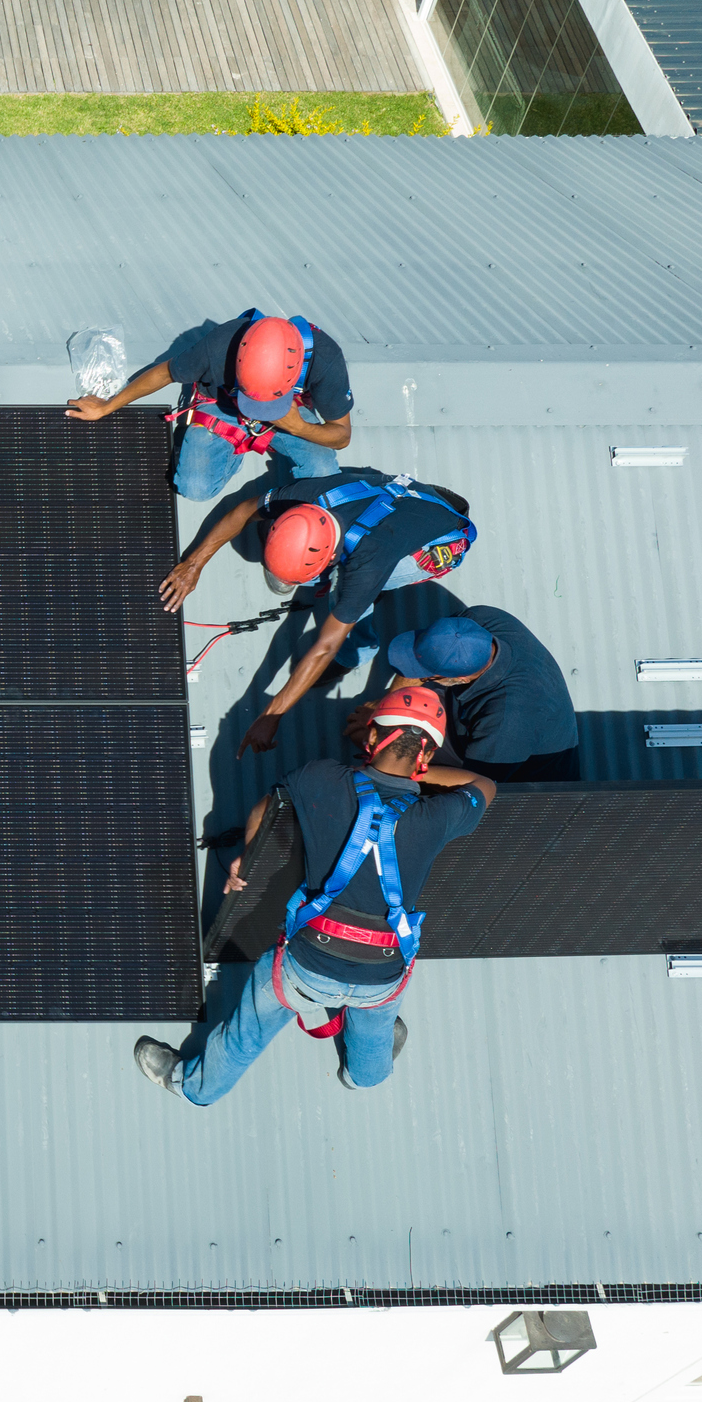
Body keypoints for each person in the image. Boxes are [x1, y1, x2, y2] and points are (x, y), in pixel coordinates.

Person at [136, 687, 497, 1104]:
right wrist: (419, 770)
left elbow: (265, 810)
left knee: (248, 1031)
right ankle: (364, 1073)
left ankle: (195, 1088)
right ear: (427, 756)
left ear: (372, 737)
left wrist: (247, 860)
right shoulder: (439, 816)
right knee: (377, 1023)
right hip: (380, 977)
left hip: (305, 969)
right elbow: (483, 784)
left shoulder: (320, 778)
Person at [158, 467, 478, 757]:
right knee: (329, 580)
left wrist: (272, 714)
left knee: (341, 593)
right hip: (403, 503)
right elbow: (244, 510)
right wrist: (193, 564)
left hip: (442, 534)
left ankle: (355, 651)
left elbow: (325, 646)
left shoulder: (368, 562)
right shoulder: (303, 498)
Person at [65, 310, 355, 501]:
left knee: (322, 474)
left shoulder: (325, 358)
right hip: (224, 402)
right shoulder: (219, 348)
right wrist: (107, 407)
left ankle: (286, 528)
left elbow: (341, 435)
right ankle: (234, 448)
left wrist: (300, 426)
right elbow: (165, 372)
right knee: (195, 489)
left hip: (289, 412)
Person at [345, 610, 581, 782]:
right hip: (482, 721)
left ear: (462, 678)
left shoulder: (507, 718)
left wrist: (382, 742)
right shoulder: (482, 621)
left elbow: (473, 784)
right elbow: (419, 665)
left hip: (505, 771)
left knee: (385, 744)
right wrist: (387, 711)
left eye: (428, 676)